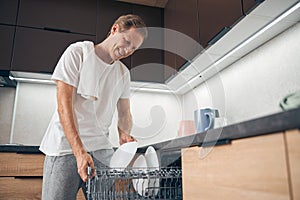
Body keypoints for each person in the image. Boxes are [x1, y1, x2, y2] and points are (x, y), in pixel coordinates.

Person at [39, 14, 148, 200]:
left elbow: (124, 113)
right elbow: (64, 107)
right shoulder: (78, 53)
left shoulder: (123, 73)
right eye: (127, 41)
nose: (127, 50)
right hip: (66, 148)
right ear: (115, 29)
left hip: (100, 149)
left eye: (134, 48)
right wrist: (79, 152)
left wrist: (124, 133)